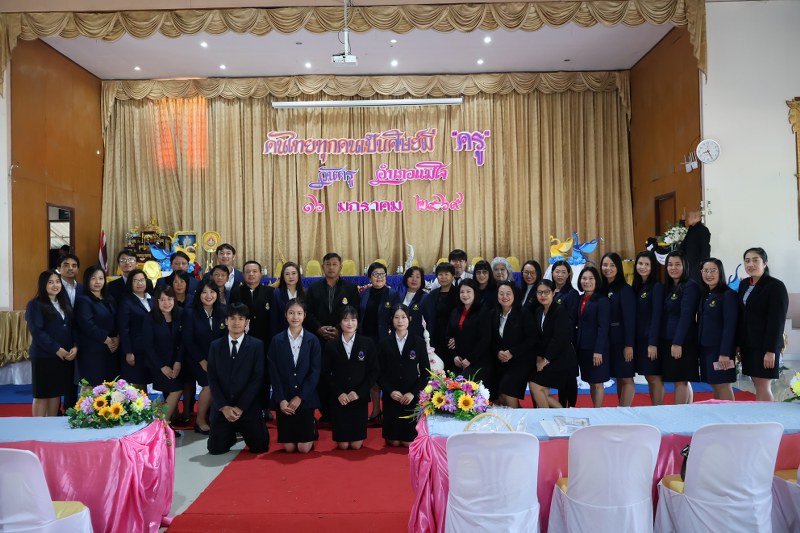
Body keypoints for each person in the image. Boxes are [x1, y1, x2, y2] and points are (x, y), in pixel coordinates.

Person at [304, 252, 360, 424]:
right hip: (319, 339)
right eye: (327, 264)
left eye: (334, 264)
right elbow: (308, 313)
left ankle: (341, 409)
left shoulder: (350, 288)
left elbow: (354, 313)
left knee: (340, 374)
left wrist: (338, 329)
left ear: (340, 267)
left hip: (342, 338)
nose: (331, 267)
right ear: (323, 267)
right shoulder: (313, 288)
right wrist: (319, 329)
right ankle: (325, 412)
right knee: (321, 374)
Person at [207, 302, 269, 455]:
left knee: (260, 447)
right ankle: (230, 435)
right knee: (216, 449)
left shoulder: (256, 345)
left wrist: (241, 407)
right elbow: (212, 378)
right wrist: (224, 407)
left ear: (247, 322)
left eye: (241, 319)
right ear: (226, 321)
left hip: (247, 407)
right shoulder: (215, 346)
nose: (236, 322)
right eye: (232, 318)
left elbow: (257, 378)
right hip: (224, 408)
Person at [268, 299, 321, 454]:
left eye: (299, 313)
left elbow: (315, 372)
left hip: (305, 398)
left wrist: (300, 397)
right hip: (285, 398)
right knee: (289, 448)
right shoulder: (276, 340)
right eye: (291, 313)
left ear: (304, 315)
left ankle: (312, 425)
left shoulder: (312, 340)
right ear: (285, 315)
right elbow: (273, 372)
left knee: (303, 449)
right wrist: (281, 399)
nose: (295, 317)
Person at [322, 306, 378, 450]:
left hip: (359, 399)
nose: (350, 323)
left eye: (353, 319)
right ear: (340, 323)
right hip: (339, 399)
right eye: (345, 319)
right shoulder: (331, 345)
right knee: (343, 445)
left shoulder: (367, 343)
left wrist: (359, 393)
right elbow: (325, 373)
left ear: (357, 323)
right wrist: (338, 393)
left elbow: (373, 372)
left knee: (356, 445)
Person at [737, 247, 788, 402]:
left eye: (755, 260)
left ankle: (767, 416)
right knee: (756, 382)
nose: (750, 264)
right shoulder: (744, 284)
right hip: (748, 344)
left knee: (763, 385)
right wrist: (738, 343)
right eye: (747, 261)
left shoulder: (775, 286)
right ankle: (760, 414)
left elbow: (777, 321)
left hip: (765, 346)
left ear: (765, 263)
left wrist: (771, 350)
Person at [25, 270, 77, 416]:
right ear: (43, 285)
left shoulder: (63, 302)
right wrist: (56, 349)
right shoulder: (35, 304)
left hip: (63, 356)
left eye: (58, 282)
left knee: (56, 393)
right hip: (44, 356)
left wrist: (75, 346)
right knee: (42, 394)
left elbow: (71, 327)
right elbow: (38, 332)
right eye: (51, 282)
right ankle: (38, 426)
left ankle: (51, 425)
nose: (55, 285)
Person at [378, 304, 430, 447]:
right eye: (396, 317)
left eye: (403, 317)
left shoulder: (419, 342)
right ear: (392, 319)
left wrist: (413, 393)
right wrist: (390, 391)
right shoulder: (384, 343)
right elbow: (379, 373)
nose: (400, 321)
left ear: (409, 319)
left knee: (408, 443)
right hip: (392, 397)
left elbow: (426, 373)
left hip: (410, 398)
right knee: (394, 442)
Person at [182, 279, 227, 434]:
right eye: (204, 292)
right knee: (209, 385)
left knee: (219, 384)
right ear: (198, 294)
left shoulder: (223, 310)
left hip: (217, 358)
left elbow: (225, 337)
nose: (209, 296)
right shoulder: (190, 312)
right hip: (195, 358)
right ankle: (200, 420)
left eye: (212, 292)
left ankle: (214, 417)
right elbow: (188, 340)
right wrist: (201, 360)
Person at [358, 262, 399, 422]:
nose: (379, 277)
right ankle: (375, 411)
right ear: (370, 277)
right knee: (371, 377)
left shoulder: (392, 294)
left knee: (384, 376)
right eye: (376, 274)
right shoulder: (363, 294)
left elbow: (397, 318)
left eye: (382, 274)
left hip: (385, 342)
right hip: (366, 342)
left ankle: (388, 413)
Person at [660, 251, 700, 405]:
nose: (673, 268)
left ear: (685, 266)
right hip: (670, 338)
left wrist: (677, 342)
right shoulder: (671, 286)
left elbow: (686, 316)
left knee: (680, 380)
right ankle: (687, 410)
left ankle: (679, 413)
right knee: (682, 380)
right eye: (670, 264)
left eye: (677, 264)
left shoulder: (690, 286)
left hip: (683, 341)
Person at [530, 280, 577, 408]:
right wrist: (538, 357)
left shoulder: (560, 310)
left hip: (562, 360)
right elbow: (540, 338)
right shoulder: (539, 311)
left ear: (553, 293)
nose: (543, 295)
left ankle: (552, 414)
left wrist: (545, 360)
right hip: (548, 358)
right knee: (542, 391)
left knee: (535, 386)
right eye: (540, 292)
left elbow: (559, 339)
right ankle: (558, 414)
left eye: (546, 292)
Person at [698, 258, 738, 400]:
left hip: (720, 350)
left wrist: (725, 353)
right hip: (706, 349)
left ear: (720, 272)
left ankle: (729, 413)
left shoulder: (728, 295)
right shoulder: (706, 294)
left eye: (713, 271)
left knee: (723, 384)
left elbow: (730, 326)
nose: (709, 274)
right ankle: (718, 412)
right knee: (714, 384)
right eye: (705, 271)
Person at [490, 281, 535, 408]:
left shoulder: (523, 313)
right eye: (501, 293)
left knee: (507, 390)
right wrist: (498, 352)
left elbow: (532, 338)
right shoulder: (493, 314)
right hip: (501, 360)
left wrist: (512, 352)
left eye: (508, 293)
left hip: (521, 360)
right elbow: (490, 339)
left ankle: (517, 417)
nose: (505, 297)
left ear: (514, 295)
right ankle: (516, 414)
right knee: (497, 394)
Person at [600, 252, 636, 407]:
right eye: (605, 265)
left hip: (622, 341)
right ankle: (621, 408)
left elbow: (630, 320)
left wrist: (629, 345)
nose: (608, 268)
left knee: (626, 377)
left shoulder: (625, 289)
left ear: (618, 268)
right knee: (619, 377)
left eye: (612, 265)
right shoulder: (601, 288)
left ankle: (624, 410)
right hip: (608, 341)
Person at [144, 286, 184, 423]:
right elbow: (148, 346)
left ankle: (166, 423)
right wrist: (162, 367)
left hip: (177, 361)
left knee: (175, 389)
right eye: (162, 300)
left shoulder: (180, 314)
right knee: (176, 389)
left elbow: (184, 341)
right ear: (156, 301)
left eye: (169, 299)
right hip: (158, 363)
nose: (166, 303)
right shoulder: (150, 318)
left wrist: (178, 362)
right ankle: (162, 424)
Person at [75, 266, 119, 387]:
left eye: (101, 278)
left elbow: (117, 320)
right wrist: (107, 339)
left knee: (110, 387)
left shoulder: (109, 298)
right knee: (92, 387)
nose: (97, 282)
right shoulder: (83, 300)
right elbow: (87, 324)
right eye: (93, 278)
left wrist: (117, 338)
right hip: (92, 351)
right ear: (87, 280)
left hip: (111, 350)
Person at [631, 251, 665, 405]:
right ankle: (654, 407)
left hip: (650, 340)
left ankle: (658, 408)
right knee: (648, 376)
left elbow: (657, 316)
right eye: (640, 263)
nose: (643, 267)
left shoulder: (656, 287)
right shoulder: (637, 286)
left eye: (647, 264)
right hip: (639, 339)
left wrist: (653, 343)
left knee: (654, 377)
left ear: (653, 267)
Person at [574, 266, 610, 408]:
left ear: (596, 281)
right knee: (590, 381)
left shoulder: (602, 300)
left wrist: (598, 350)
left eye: (590, 278)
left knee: (598, 382)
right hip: (583, 347)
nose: (587, 281)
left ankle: (598, 410)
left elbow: (603, 327)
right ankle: (595, 409)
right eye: (584, 278)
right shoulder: (580, 298)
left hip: (596, 349)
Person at [446, 279, 492, 383]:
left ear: (475, 292)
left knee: (461, 385)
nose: (465, 295)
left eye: (468, 291)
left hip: (478, 361)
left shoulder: (483, 311)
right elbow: (448, 336)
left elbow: (485, 339)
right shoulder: (455, 311)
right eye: (462, 292)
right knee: (447, 385)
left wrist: (470, 359)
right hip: (459, 360)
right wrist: (454, 356)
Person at [117, 268, 153, 391]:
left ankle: (145, 404)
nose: (139, 283)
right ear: (130, 283)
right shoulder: (126, 302)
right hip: (134, 350)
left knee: (143, 383)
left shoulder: (152, 299)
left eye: (142, 280)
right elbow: (124, 328)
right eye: (135, 281)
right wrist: (128, 351)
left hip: (148, 349)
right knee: (134, 385)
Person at [551, 260, 580, 407]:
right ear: (552, 273)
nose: (560, 275)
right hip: (553, 341)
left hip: (567, 342)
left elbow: (571, 320)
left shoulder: (572, 293)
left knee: (569, 377)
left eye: (563, 272)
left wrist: (564, 340)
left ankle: (572, 407)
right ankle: (562, 406)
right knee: (561, 376)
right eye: (557, 272)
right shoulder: (549, 291)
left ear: (569, 274)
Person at [421, 263, 460, 368]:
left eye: (446, 274)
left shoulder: (459, 293)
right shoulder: (433, 294)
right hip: (435, 336)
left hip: (452, 338)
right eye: (440, 274)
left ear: (453, 276)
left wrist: (457, 336)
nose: (443, 277)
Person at [271, 261, 306, 334]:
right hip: (282, 333)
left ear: (298, 275)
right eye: (287, 274)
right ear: (283, 276)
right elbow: (274, 318)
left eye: (294, 273)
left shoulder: (306, 293)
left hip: (302, 333)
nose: (291, 277)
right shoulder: (277, 293)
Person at [679, 210, 711, 283]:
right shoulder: (691, 229)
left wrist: (704, 267)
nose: (687, 219)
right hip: (688, 265)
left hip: (697, 267)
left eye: (689, 217)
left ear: (695, 217)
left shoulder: (703, 230)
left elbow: (705, 249)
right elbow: (683, 246)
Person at [397, 266, 426, 339]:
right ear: (406, 279)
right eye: (411, 276)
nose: (414, 279)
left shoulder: (425, 297)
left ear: (422, 280)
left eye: (417, 277)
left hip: (417, 337)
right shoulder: (399, 296)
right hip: (400, 336)